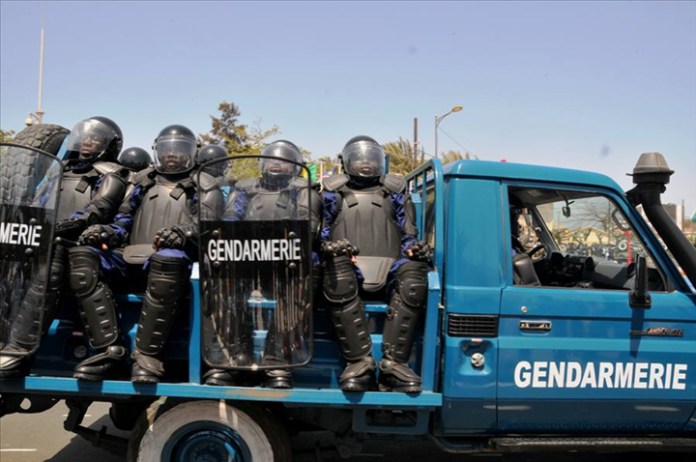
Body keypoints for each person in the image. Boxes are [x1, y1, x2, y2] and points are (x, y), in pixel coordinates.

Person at [70, 124, 224, 382]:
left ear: (192, 152)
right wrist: (106, 232)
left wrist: (183, 234)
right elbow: (123, 221)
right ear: (157, 151)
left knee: (168, 258)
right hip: (130, 255)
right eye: (167, 149)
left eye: (179, 150)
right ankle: (109, 350)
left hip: (177, 261)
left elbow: (209, 225)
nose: (172, 155)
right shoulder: (142, 180)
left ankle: (147, 356)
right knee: (84, 255)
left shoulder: (204, 184)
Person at [0, 116, 129, 377]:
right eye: (85, 136)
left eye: (96, 138)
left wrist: (60, 227)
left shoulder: (112, 175)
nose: (87, 141)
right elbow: (39, 203)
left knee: (57, 254)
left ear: (110, 145)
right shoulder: (59, 171)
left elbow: (96, 211)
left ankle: (20, 349)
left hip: (87, 242)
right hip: (46, 238)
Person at [203, 140, 321, 389]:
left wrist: (293, 237)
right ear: (262, 163)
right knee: (224, 280)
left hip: (284, 258)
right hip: (248, 255)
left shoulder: (303, 189)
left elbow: (307, 222)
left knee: (296, 284)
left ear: (295, 167)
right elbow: (232, 216)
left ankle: (277, 360)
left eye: (283, 160)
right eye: (272, 160)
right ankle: (233, 357)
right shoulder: (246, 189)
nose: (276, 164)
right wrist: (227, 233)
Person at [319, 135, 430, 394]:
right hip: (348, 264)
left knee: (414, 275)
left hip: (390, 266)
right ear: (347, 161)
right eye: (360, 157)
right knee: (337, 273)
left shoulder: (394, 189)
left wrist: (415, 248)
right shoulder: (332, 191)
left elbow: (407, 235)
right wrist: (331, 248)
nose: (366, 163)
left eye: (371, 157)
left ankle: (394, 364)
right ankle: (358, 362)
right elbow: (320, 236)